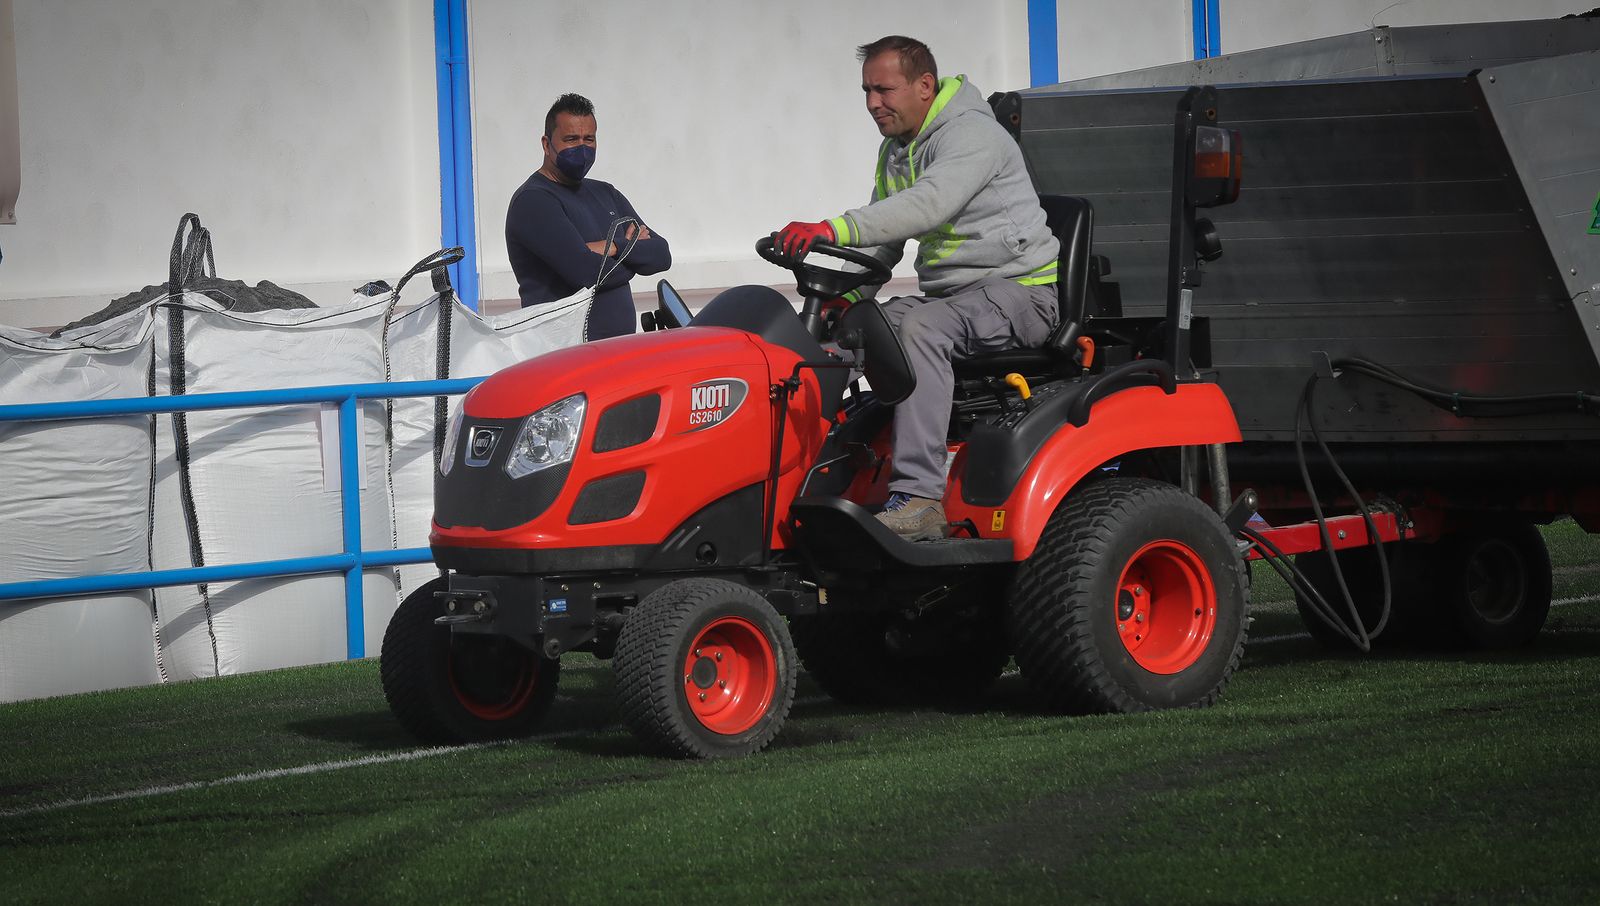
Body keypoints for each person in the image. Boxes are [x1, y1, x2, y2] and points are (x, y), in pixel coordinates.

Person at [775, 36, 1060, 541]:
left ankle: (920, 498)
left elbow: (927, 205)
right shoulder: (897, 149)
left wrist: (830, 228)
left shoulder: (973, 136)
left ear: (925, 86)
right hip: (957, 301)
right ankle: (800, 476)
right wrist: (848, 298)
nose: (871, 104)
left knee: (923, 327)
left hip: (1020, 294)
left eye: (883, 90)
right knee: (849, 331)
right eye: (866, 91)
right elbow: (885, 245)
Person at [506, 93, 671, 340]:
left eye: (589, 139)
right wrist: (633, 254)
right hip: (564, 356)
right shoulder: (533, 201)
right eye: (571, 139)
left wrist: (614, 247)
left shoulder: (605, 193)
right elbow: (585, 273)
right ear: (546, 144)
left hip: (615, 354)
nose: (582, 148)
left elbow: (661, 255)